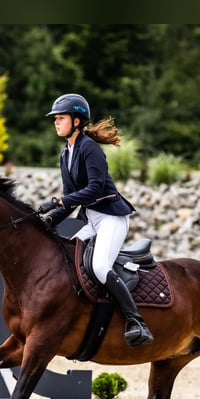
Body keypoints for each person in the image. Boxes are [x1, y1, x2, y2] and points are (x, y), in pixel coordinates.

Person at [39, 93, 153, 347]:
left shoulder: (89, 148)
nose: (56, 123)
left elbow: (95, 188)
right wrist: (48, 219)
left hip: (111, 217)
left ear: (77, 121)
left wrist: (59, 203)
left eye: (60, 118)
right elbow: (71, 197)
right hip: (90, 218)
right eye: (55, 119)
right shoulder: (65, 153)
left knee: (100, 267)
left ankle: (136, 322)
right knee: (65, 258)